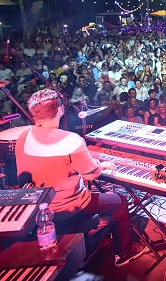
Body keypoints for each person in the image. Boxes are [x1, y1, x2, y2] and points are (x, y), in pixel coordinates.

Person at [15, 88, 146, 266]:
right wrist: (102, 164)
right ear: (60, 109)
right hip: (68, 208)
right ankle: (123, 253)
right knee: (120, 202)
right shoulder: (71, 140)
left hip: (37, 210)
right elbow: (92, 174)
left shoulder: (22, 137)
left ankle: (88, 245)